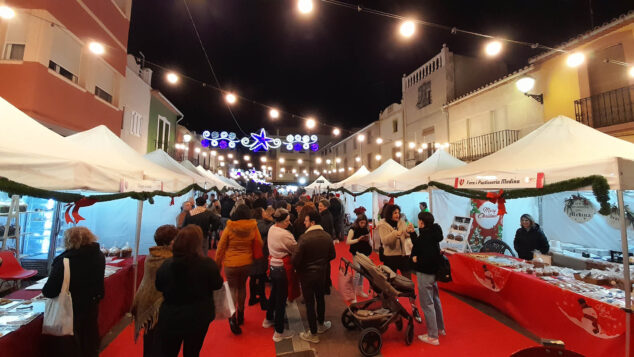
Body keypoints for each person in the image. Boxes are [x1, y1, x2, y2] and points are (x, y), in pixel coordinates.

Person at [155, 225, 223, 357]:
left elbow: (159, 286)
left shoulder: (166, 265)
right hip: (198, 317)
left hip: (171, 316)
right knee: (192, 352)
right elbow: (217, 284)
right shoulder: (207, 264)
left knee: (168, 352)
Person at [42, 227, 105, 357]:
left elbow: (50, 290)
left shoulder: (65, 261)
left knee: (72, 343)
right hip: (92, 302)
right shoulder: (99, 255)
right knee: (89, 337)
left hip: (71, 307)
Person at [215, 204, 264, 335]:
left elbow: (220, 248)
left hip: (230, 264)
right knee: (242, 287)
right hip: (246, 263)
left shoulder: (230, 227)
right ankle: (241, 313)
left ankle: (232, 317)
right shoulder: (253, 227)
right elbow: (259, 242)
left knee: (231, 289)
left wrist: (217, 265)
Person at [131, 225, 179, 356]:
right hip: (159, 307)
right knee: (159, 342)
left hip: (147, 301)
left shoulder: (152, 255)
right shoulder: (169, 260)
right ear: (171, 242)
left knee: (150, 338)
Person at [293, 211, 336, 344]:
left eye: (306, 221)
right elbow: (332, 255)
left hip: (306, 275)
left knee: (310, 303)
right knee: (320, 298)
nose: (304, 223)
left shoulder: (304, 238)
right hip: (321, 273)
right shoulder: (327, 236)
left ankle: (312, 333)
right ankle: (321, 324)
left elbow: (295, 259)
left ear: (312, 222)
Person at [410, 211, 446, 346]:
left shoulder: (424, 237)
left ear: (422, 222)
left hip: (425, 273)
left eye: (419, 220)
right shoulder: (434, 234)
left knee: (427, 303)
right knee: (435, 300)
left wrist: (416, 259)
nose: (418, 222)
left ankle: (432, 335)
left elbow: (419, 248)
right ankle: (440, 328)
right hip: (434, 273)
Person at [263, 208, 297, 342]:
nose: (289, 223)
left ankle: (268, 318)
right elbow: (294, 248)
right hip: (282, 267)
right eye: (287, 221)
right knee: (281, 299)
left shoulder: (272, 228)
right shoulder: (285, 234)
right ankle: (279, 331)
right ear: (281, 221)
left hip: (272, 266)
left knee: (274, 293)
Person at [377, 204, 412, 277]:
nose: (398, 215)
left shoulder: (401, 222)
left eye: (398, 213)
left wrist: (408, 231)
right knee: (390, 281)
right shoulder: (383, 225)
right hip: (390, 257)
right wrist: (395, 234)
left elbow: (405, 234)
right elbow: (384, 241)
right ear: (389, 214)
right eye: (395, 213)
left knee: (407, 280)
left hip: (403, 255)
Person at [250, 207, 273, 310]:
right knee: (261, 276)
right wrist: (273, 222)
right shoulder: (260, 224)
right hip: (260, 253)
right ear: (260, 214)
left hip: (252, 253)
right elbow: (265, 230)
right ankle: (263, 301)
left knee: (253, 276)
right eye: (264, 211)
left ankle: (252, 297)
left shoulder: (251, 223)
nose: (265, 213)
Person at [346, 214, 372, 299]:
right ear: (358, 222)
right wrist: (358, 239)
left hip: (365, 253)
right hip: (356, 253)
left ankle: (359, 290)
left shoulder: (366, 229)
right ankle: (352, 292)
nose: (363, 225)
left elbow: (370, 241)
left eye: (364, 223)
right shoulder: (352, 230)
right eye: (361, 223)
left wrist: (370, 245)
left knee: (363, 273)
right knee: (357, 273)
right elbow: (348, 242)